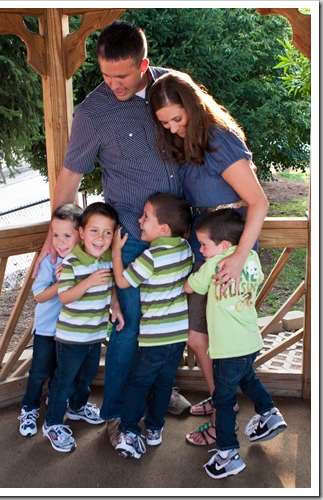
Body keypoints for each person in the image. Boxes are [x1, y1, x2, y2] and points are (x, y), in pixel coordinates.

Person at [33, 20, 181, 447]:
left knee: (167, 324)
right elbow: (70, 175)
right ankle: (117, 414)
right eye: (105, 74)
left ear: (144, 64)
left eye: (123, 75)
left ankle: (157, 391)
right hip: (130, 238)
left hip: (177, 237)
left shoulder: (168, 90)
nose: (114, 84)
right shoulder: (92, 112)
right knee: (127, 326)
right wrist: (54, 234)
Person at [150, 70, 269, 445]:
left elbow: (259, 201)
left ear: (193, 107)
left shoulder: (219, 139)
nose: (172, 127)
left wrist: (238, 258)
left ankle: (224, 416)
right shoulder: (190, 142)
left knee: (211, 337)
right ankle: (225, 403)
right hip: (204, 251)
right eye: (164, 122)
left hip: (227, 252)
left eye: (177, 118)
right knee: (200, 336)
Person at [184, 209, 287, 479]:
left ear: (224, 246)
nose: (202, 250)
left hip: (228, 349)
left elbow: (191, 287)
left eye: (204, 244)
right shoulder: (250, 258)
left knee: (223, 401)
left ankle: (228, 453)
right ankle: (269, 413)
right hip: (250, 341)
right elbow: (259, 279)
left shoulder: (213, 265)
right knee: (248, 378)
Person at [112, 192, 194, 459]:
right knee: (164, 382)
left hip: (155, 336)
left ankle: (129, 431)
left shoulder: (151, 257)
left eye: (145, 217)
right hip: (177, 335)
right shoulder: (185, 249)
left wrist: (116, 253)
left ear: (163, 229)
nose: (139, 220)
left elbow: (124, 282)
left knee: (139, 383)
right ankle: (155, 430)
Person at [42, 202, 124, 453]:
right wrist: (88, 281)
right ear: (81, 233)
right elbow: (65, 297)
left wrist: (116, 307)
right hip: (70, 337)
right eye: (94, 231)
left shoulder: (108, 258)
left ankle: (77, 408)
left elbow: (111, 287)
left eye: (107, 232)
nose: (100, 238)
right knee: (64, 381)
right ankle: (52, 422)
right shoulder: (73, 262)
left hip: (94, 334)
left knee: (87, 377)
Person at [18, 204, 82, 437]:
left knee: (62, 372)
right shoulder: (50, 263)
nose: (60, 241)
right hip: (46, 330)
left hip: (71, 331)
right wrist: (59, 284)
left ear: (81, 234)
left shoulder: (83, 262)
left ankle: (56, 405)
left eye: (67, 235)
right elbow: (39, 296)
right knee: (39, 372)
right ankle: (29, 408)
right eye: (55, 235)